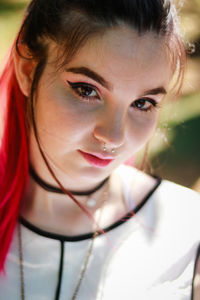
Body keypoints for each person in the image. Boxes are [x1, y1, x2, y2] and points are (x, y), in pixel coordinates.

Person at [0, 0, 199, 299]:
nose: (114, 136)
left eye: (143, 103)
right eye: (86, 90)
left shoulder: (187, 232)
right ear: (28, 70)